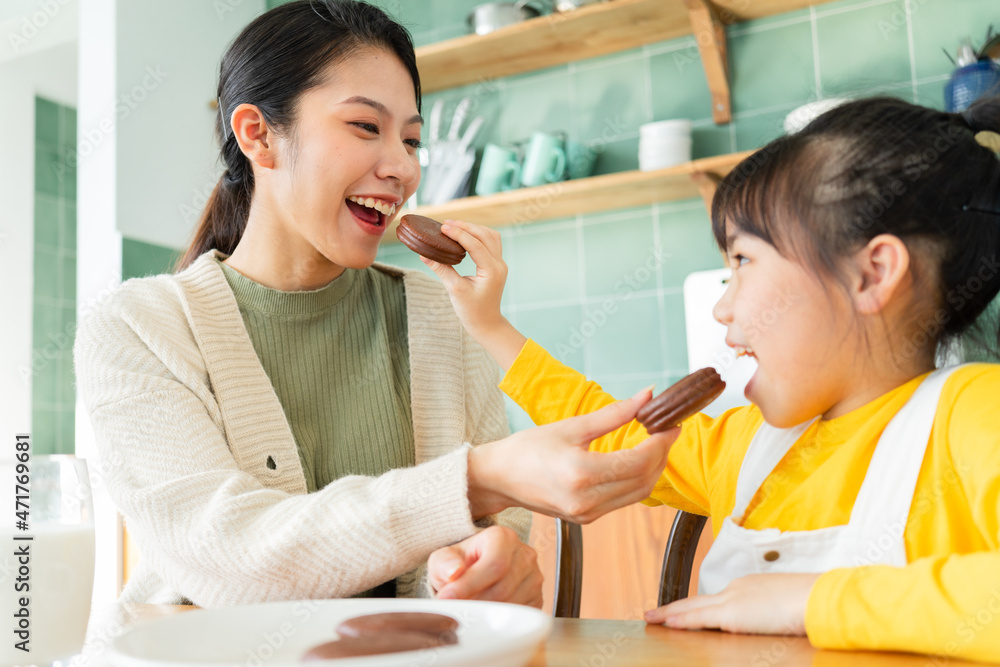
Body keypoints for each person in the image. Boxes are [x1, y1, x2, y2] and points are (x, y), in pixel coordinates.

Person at [73, 0, 675, 608]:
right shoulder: (136, 330)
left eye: (412, 139)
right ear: (257, 134)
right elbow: (226, 558)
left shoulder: (443, 317)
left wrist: (492, 565)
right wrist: (479, 478)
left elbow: (489, 540)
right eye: (366, 127)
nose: (403, 167)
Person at [425, 96, 1000, 661]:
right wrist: (492, 328)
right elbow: (611, 431)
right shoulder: (744, 446)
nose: (722, 309)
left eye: (743, 263)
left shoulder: (973, 414)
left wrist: (810, 602)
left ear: (872, 274)